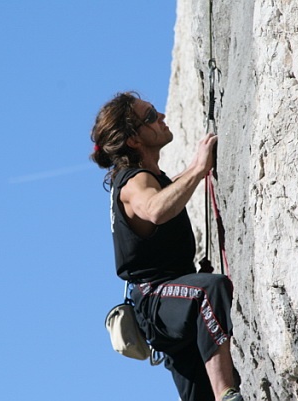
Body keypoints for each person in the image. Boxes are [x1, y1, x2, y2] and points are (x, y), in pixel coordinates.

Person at [90, 91, 243, 401]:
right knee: (208, 291)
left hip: (169, 303)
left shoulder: (151, 178)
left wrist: (195, 167)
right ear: (134, 140)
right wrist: (198, 169)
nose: (161, 116)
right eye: (150, 116)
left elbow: (165, 194)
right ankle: (227, 395)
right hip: (158, 300)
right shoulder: (133, 182)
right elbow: (156, 209)